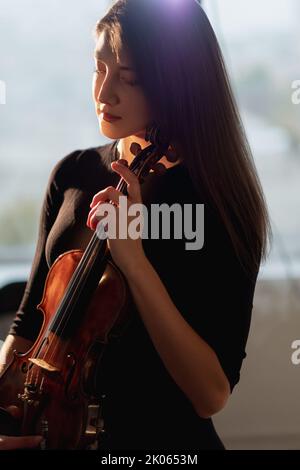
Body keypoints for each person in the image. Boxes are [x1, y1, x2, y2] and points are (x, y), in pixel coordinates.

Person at [0, 0, 272, 450]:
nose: (105, 93)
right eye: (98, 68)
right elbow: (28, 325)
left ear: (178, 86)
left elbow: (210, 394)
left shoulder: (220, 205)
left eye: (130, 79)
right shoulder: (73, 174)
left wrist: (135, 262)